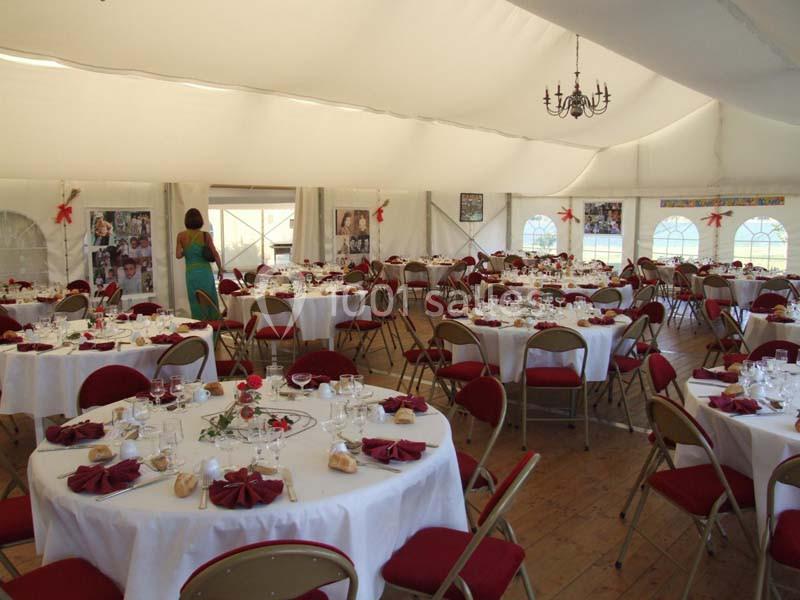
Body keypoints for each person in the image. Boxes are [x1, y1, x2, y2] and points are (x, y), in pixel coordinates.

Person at [176, 208, 221, 320]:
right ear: (200, 220)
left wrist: (187, 251)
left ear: (186, 220)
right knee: (209, 298)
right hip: (205, 272)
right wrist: (220, 269)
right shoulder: (206, 235)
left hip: (191, 273)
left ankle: (199, 323)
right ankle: (213, 325)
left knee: (195, 299)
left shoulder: (181, 235)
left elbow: (178, 255)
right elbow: (215, 254)